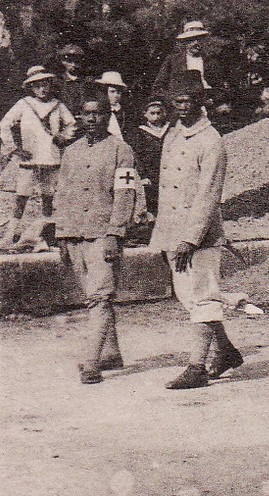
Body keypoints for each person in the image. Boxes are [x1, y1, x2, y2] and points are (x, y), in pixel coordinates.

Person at [156, 70, 244, 389]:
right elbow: (167, 189)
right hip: (171, 230)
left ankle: (197, 366)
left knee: (203, 295)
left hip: (200, 236)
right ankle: (227, 352)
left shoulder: (212, 141)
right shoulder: (173, 135)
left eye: (188, 100)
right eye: (176, 100)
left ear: (201, 102)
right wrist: (165, 234)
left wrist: (190, 239)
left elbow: (209, 195)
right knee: (187, 296)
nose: (181, 106)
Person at [54, 94, 138, 384]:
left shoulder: (121, 150)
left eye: (98, 113)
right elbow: (61, 195)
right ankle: (112, 352)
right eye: (87, 114)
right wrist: (62, 235)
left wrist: (116, 232)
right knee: (94, 297)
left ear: (108, 115)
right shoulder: (71, 152)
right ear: (80, 116)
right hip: (75, 234)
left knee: (99, 297)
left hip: (103, 235)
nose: (92, 119)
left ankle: (91, 362)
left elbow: (126, 194)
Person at [0, 65, 77, 244]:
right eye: (37, 85)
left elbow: (72, 124)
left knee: (48, 198)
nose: (41, 89)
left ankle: (42, 236)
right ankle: (9, 236)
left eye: (45, 85)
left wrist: (62, 137)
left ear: (50, 85)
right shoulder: (24, 104)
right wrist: (14, 148)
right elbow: (5, 124)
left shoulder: (58, 105)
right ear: (31, 88)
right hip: (30, 158)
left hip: (51, 157)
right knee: (21, 197)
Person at [150, 21, 235, 127]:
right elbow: (158, 87)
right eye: (191, 40)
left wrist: (212, 100)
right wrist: (172, 101)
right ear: (185, 42)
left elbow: (221, 88)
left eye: (199, 39)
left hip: (205, 106)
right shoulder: (172, 61)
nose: (196, 43)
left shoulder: (211, 62)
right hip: (178, 107)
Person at [124, 95, 169, 233]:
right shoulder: (140, 133)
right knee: (151, 199)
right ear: (145, 114)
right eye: (152, 113)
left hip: (166, 170)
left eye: (159, 113)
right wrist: (142, 174)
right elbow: (136, 155)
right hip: (150, 173)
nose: (156, 116)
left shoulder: (169, 131)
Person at [52, 44, 91, 116]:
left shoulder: (87, 82)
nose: (73, 65)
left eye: (77, 62)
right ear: (63, 62)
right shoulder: (58, 82)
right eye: (70, 61)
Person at [95, 71, 133, 138]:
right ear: (104, 92)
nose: (116, 95)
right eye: (112, 92)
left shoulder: (124, 112)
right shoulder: (99, 110)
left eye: (118, 92)